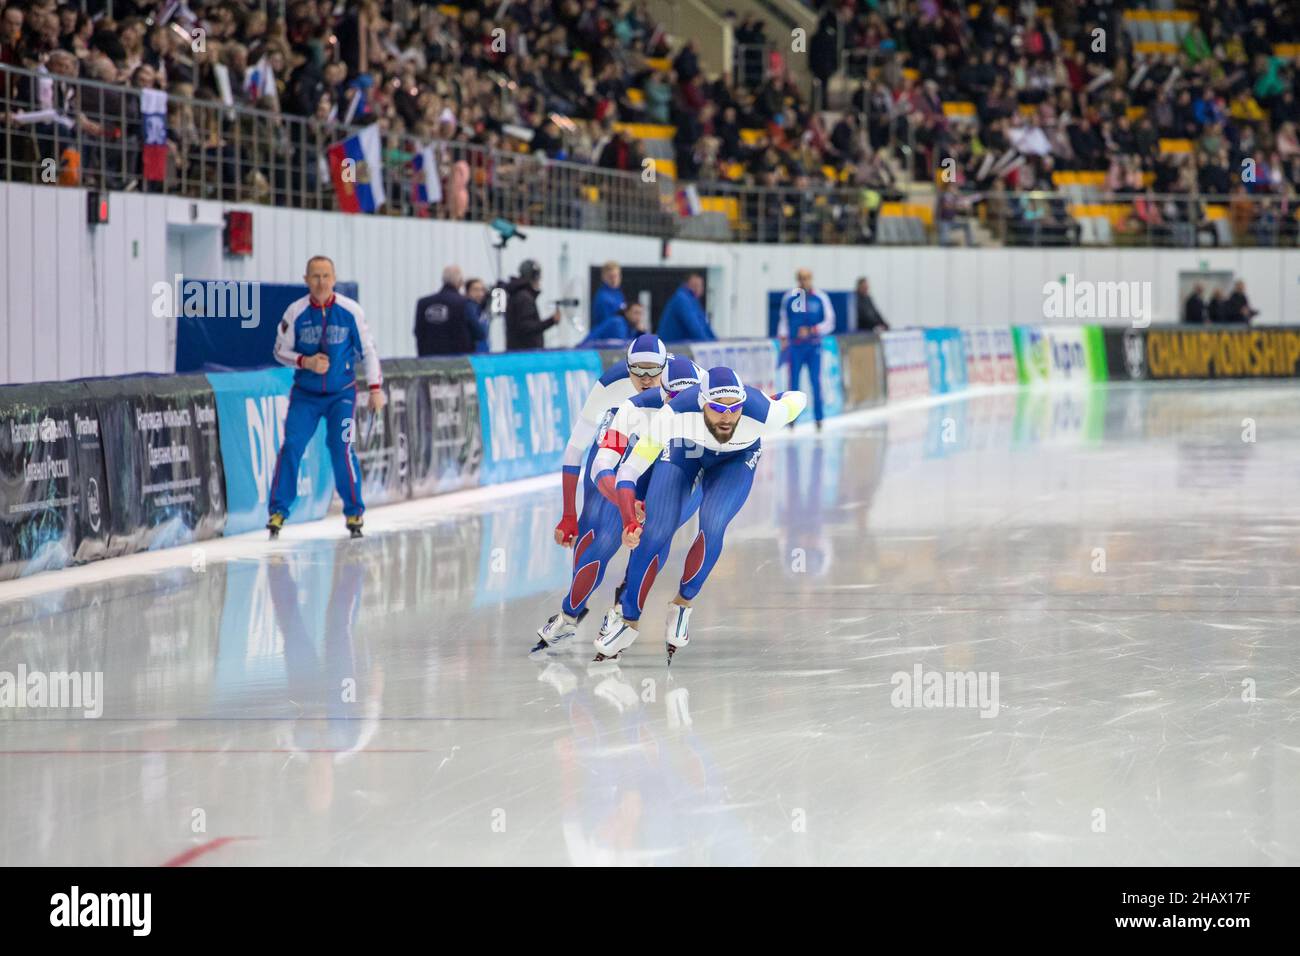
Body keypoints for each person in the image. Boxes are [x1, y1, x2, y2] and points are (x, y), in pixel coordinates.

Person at [592, 368, 808, 663]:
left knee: (714, 521)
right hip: (685, 449)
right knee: (656, 530)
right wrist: (629, 516)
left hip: (737, 458)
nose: (727, 417)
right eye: (718, 408)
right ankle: (629, 620)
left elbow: (799, 397)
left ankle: (682, 603)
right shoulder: (671, 414)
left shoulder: (765, 415)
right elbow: (627, 469)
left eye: (734, 408)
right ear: (701, 401)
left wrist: (773, 399)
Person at [532, 357, 704, 654]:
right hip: (637, 464)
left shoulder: (709, 403)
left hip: (683, 464)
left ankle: (623, 613)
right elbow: (601, 465)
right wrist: (625, 505)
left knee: (655, 535)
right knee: (605, 540)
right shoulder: (631, 406)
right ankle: (569, 614)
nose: (678, 406)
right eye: (672, 399)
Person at [269, 255, 386, 540]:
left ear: (334, 279)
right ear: (306, 280)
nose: (321, 282)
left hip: (341, 396)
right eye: (315, 276)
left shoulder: (350, 311)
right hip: (305, 396)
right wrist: (304, 362)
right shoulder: (294, 312)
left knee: (341, 448)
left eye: (326, 276)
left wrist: (375, 388)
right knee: (292, 446)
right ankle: (278, 511)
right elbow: (278, 351)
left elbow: (368, 350)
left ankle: (354, 511)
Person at [553, 333, 668, 553]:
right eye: (638, 370)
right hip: (623, 426)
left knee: (658, 522)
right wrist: (569, 514)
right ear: (627, 368)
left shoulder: (681, 381)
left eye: (653, 371)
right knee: (594, 515)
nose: (646, 379)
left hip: (662, 434)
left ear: (665, 368)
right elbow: (575, 447)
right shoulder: (610, 385)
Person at [778, 269, 836, 430]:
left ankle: (819, 418)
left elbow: (830, 322)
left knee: (815, 382)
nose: (804, 281)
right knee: (793, 384)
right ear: (797, 280)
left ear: (811, 279)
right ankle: (792, 419)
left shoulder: (821, 297)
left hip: (813, 346)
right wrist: (782, 337)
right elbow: (783, 319)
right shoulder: (789, 297)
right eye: (801, 279)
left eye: (807, 278)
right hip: (795, 347)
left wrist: (813, 330)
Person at [413, 264, 476, 356]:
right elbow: (479, 333)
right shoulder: (465, 302)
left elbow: (418, 331)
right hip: (459, 361)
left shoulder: (423, 303)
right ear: (460, 282)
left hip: (428, 361)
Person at [504, 259, 561, 350]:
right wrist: (551, 321)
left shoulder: (518, 295)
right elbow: (526, 327)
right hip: (525, 353)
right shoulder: (524, 298)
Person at [656, 274, 715, 341]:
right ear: (687, 284)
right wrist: (708, 343)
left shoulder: (692, 300)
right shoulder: (682, 299)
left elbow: (704, 325)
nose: (699, 288)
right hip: (670, 346)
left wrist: (714, 340)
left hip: (677, 345)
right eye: (695, 285)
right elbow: (694, 327)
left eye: (700, 285)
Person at [580, 301, 646, 345]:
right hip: (584, 352)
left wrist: (640, 333)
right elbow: (623, 348)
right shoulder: (618, 323)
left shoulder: (631, 328)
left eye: (640, 314)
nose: (638, 317)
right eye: (636, 313)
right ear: (626, 313)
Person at [590, 260, 627, 332]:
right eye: (610, 277)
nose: (614, 280)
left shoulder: (619, 294)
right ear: (603, 277)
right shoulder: (602, 297)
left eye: (616, 276)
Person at [464, 277, 490, 352]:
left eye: (482, 290)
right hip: (473, 353)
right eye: (475, 290)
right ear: (467, 292)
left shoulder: (481, 309)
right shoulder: (469, 308)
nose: (480, 293)